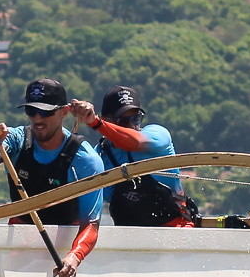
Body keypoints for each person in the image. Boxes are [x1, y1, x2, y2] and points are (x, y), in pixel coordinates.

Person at [0, 77, 105, 277]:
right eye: (31, 110)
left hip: (63, 246)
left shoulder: (86, 160)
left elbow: (91, 224)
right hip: (19, 240)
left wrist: (74, 257)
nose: (37, 118)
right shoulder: (17, 139)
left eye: (45, 111)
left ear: (64, 112)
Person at [69, 85, 198, 226]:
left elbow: (134, 142)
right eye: (123, 120)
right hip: (128, 235)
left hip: (177, 231)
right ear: (106, 119)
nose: (131, 125)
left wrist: (95, 122)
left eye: (136, 118)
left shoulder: (158, 136)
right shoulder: (99, 156)